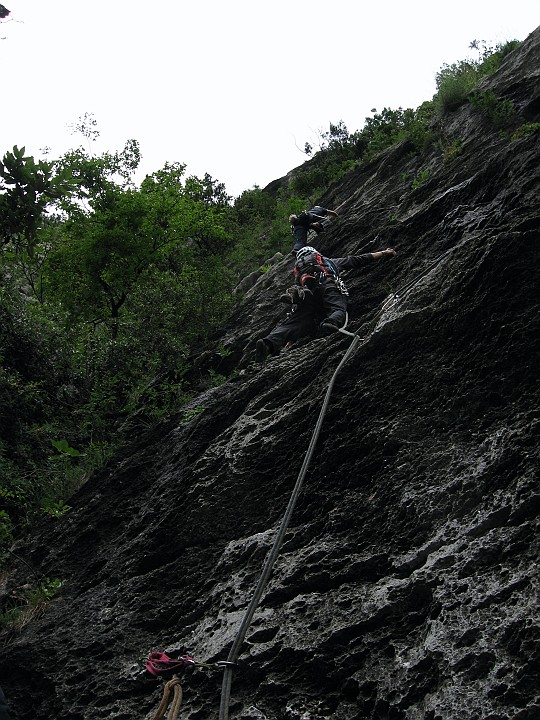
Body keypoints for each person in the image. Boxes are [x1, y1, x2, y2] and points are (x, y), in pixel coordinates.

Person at [255, 245, 396, 362]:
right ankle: (331, 322)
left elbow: (296, 318)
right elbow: (356, 260)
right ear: (316, 253)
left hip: (306, 296)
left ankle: (268, 343)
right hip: (327, 284)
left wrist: (291, 340)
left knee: (295, 321)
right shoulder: (327, 261)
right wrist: (384, 252)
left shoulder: (299, 273)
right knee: (338, 308)